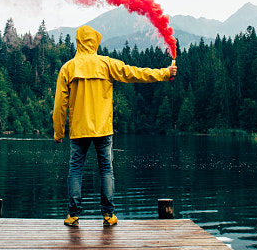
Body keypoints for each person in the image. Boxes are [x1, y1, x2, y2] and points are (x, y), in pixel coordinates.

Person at [53, 25, 177, 227]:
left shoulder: (68, 68)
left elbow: (60, 104)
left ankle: (73, 215)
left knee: (75, 170)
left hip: (79, 129)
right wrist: (164, 73)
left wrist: (59, 132)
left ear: (78, 42)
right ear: (95, 41)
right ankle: (108, 215)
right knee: (106, 170)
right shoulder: (106, 64)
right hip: (103, 129)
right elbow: (135, 73)